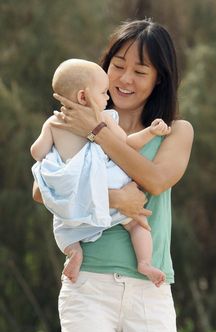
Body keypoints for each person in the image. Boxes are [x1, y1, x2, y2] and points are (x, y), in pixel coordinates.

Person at [33, 19, 194, 332]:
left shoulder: (175, 130)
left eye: (140, 71)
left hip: (150, 286)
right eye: (118, 66)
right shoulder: (74, 122)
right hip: (87, 285)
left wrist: (98, 131)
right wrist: (115, 198)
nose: (125, 79)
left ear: (159, 78)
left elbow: (154, 180)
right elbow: (43, 190)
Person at [31, 58, 170, 285]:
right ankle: (145, 262)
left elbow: (37, 152)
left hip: (74, 203)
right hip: (106, 182)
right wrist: (151, 133)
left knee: (62, 230)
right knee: (136, 223)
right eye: (104, 92)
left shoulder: (53, 123)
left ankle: (74, 252)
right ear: (84, 97)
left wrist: (55, 150)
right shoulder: (104, 118)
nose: (107, 97)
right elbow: (127, 143)